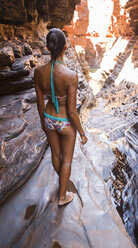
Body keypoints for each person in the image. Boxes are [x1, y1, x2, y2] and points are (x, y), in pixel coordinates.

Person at [34, 28, 88, 206]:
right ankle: (63, 196)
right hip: (65, 123)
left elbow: (41, 104)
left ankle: (63, 183)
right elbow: (72, 112)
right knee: (67, 160)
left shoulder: (38, 72)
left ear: (48, 48)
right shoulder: (71, 76)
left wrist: (43, 122)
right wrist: (81, 132)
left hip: (49, 117)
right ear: (65, 47)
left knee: (55, 155)